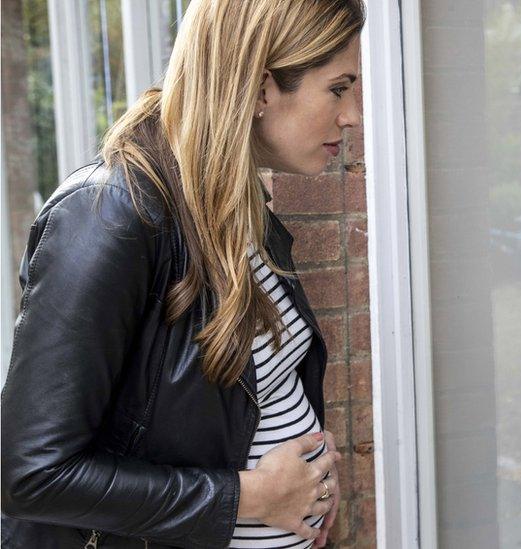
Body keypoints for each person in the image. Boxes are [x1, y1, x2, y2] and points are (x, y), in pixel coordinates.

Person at [0, 1, 364, 547]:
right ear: (262, 87)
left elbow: (231, 402)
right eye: (339, 87)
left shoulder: (229, 203)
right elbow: (31, 476)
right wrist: (250, 497)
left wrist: (309, 480)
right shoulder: (110, 214)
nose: (352, 114)